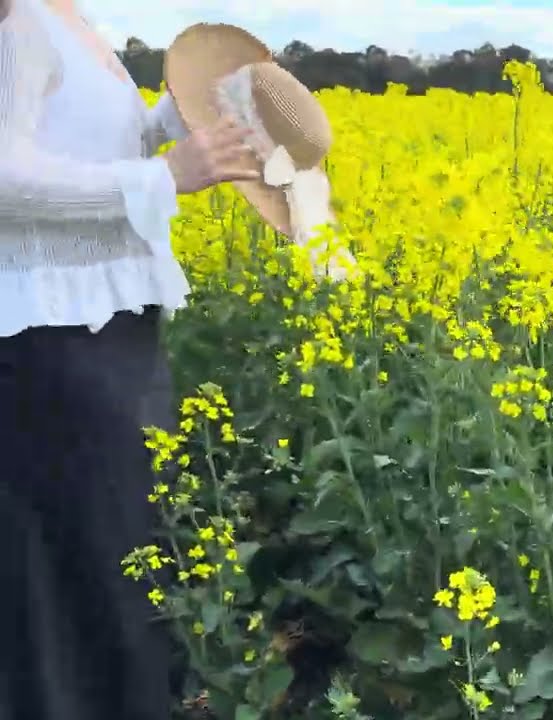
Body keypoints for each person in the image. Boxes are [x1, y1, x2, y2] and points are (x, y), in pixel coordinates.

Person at [0, 0, 261, 717]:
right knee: (79, 582)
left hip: (107, 323)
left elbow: (95, 153)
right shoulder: (19, 21)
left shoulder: (71, 21)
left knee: (116, 569)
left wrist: (177, 122)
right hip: (53, 337)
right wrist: (167, 177)